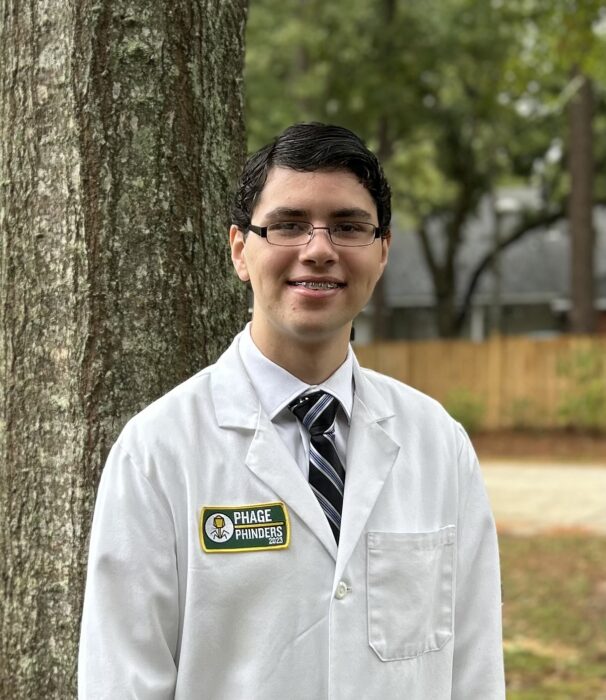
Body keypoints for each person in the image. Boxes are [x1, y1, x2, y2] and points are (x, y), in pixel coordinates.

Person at [78, 122, 505, 699]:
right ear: (240, 250)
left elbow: (474, 671)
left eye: (349, 226)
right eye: (288, 224)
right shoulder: (158, 451)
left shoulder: (439, 445)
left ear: (382, 252)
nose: (320, 249)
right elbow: (122, 682)